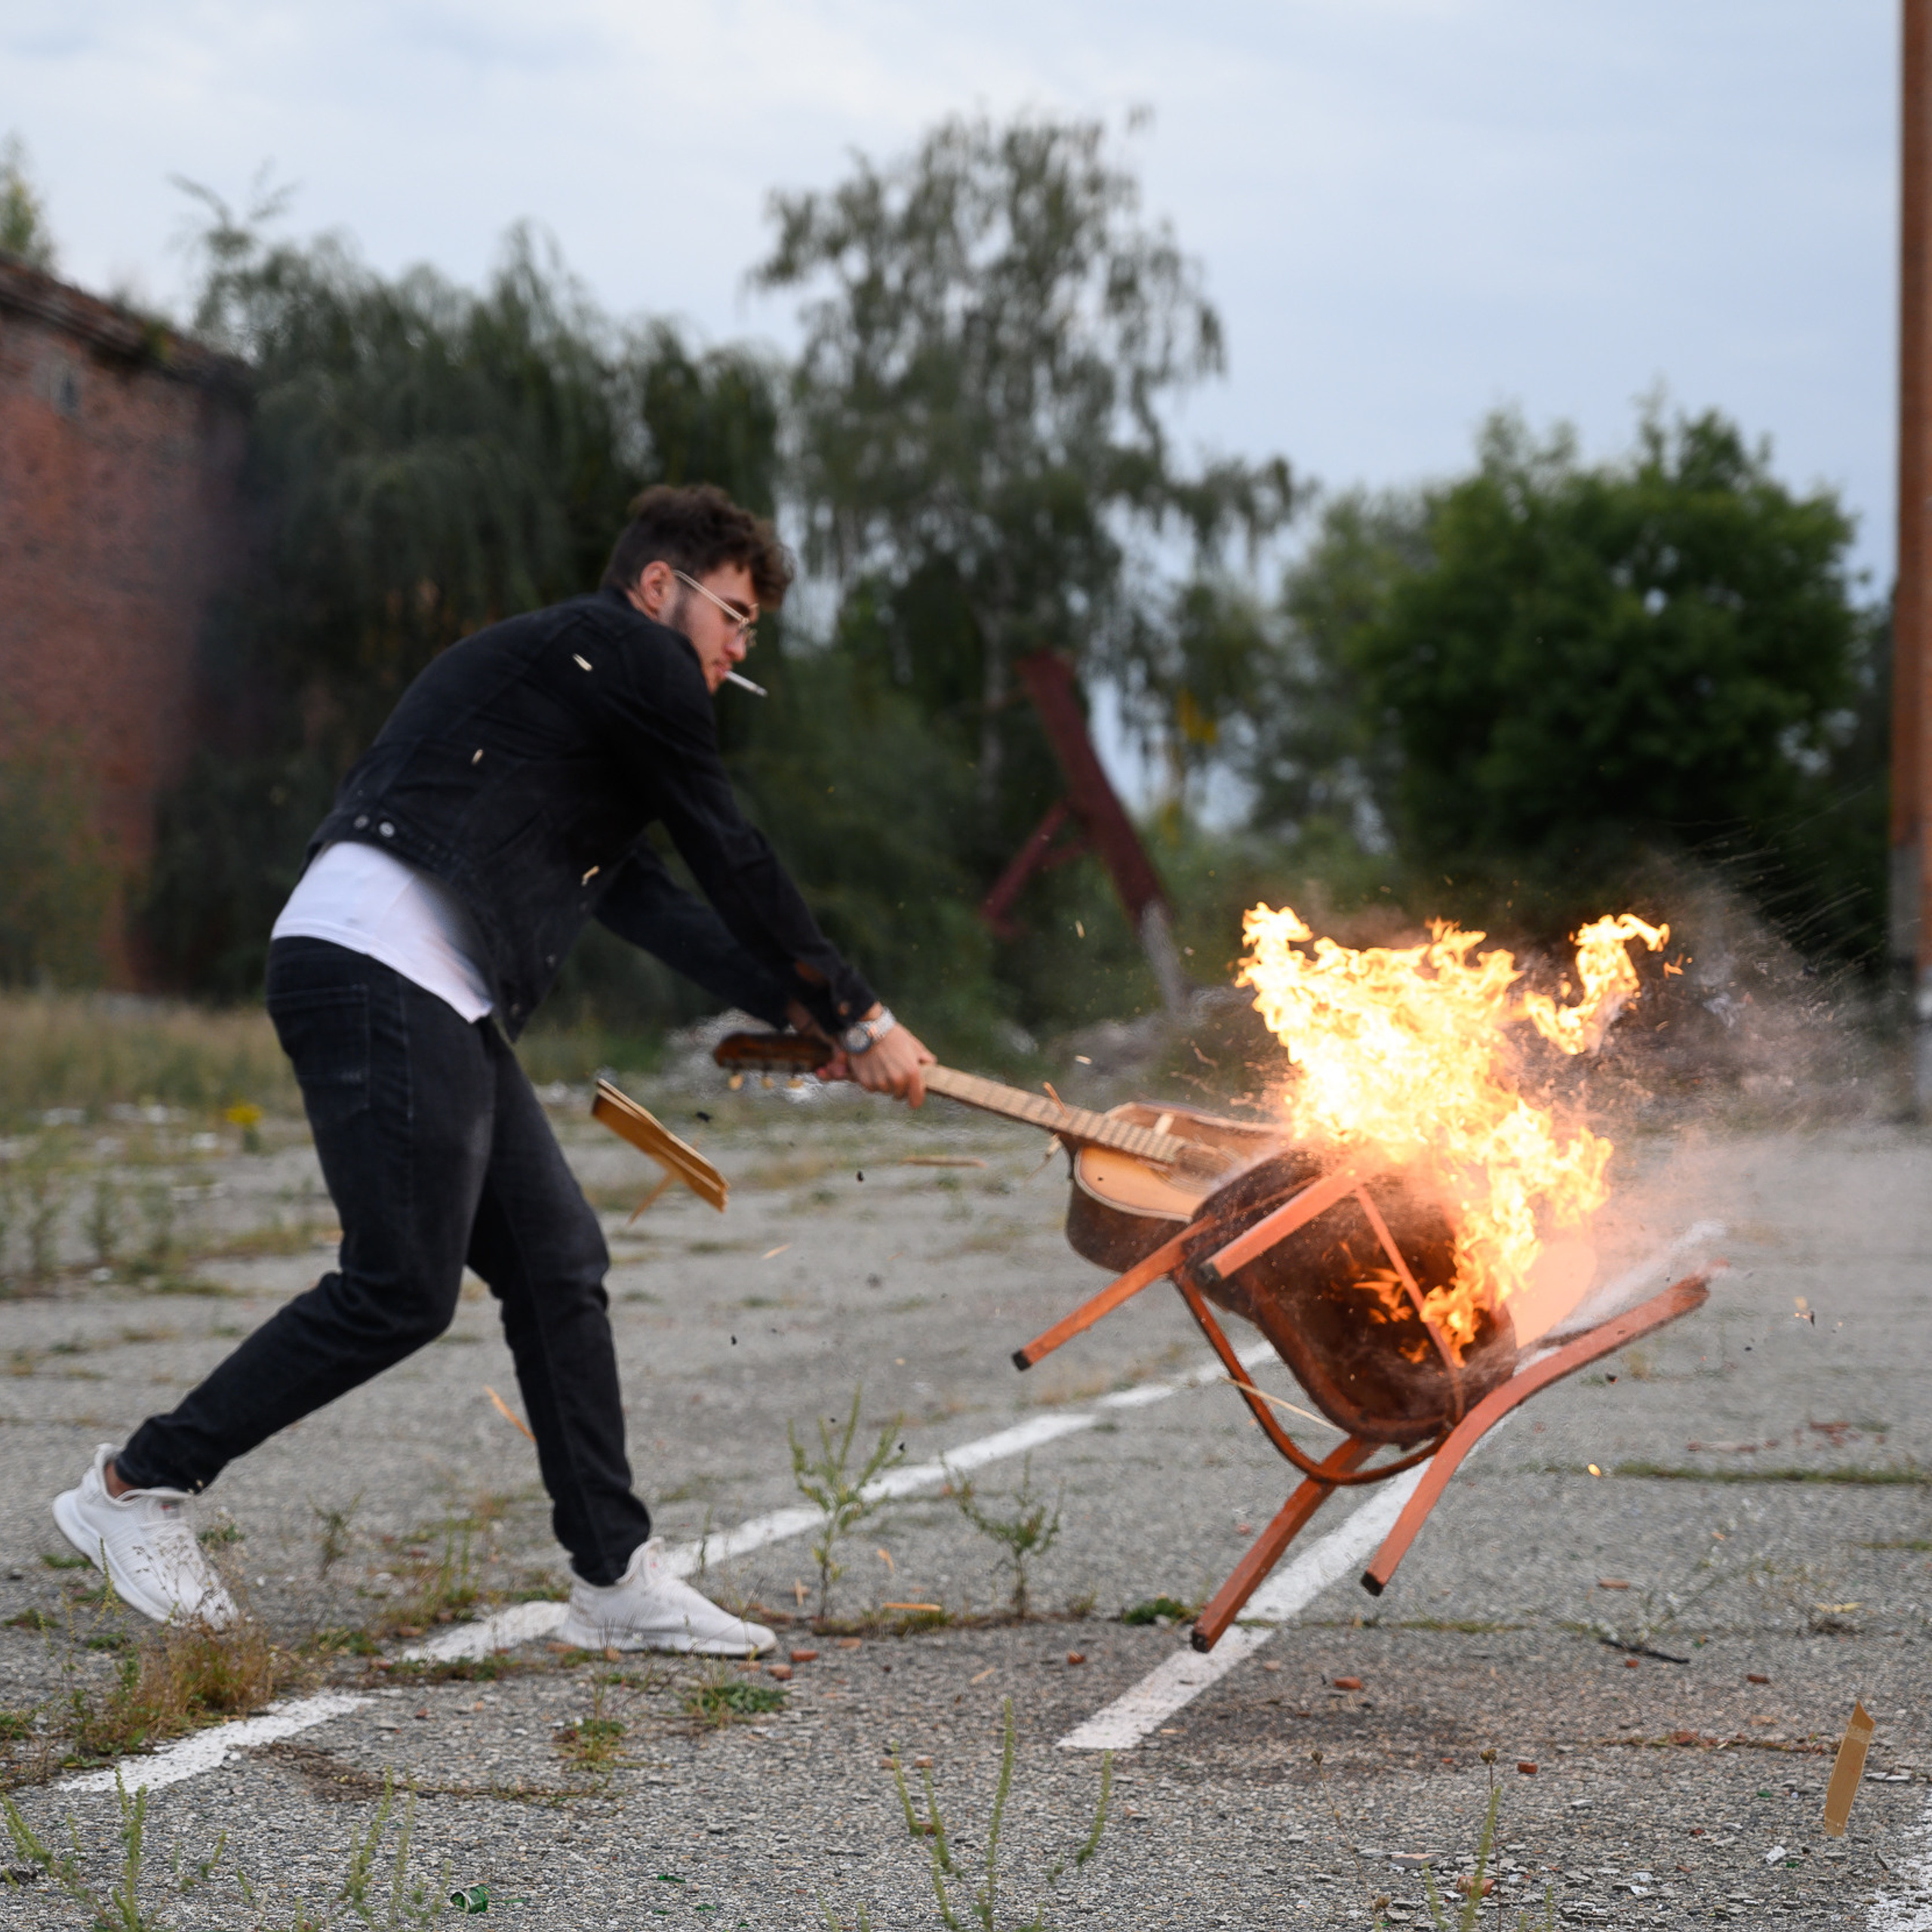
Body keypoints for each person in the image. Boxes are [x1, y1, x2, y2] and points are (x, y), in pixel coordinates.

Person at [52, 485, 934, 1656]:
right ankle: (134, 1489)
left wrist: (800, 1012)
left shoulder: (570, 705)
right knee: (401, 1287)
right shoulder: (629, 652)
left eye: (752, 633)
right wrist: (859, 1009)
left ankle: (615, 1577)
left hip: (427, 978)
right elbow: (732, 850)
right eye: (734, 616)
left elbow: (656, 903)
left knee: (560, 1259)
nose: (738, 651)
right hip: (379, 961)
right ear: (659, 586)